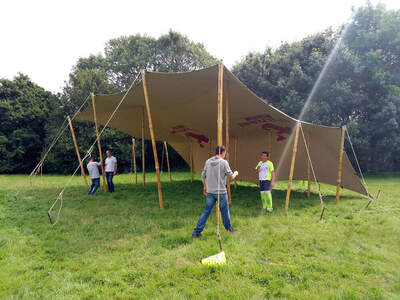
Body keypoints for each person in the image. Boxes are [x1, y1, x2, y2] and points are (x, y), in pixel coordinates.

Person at [192, 145, 240, 238]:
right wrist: (236, 173)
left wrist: (205, 187)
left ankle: (196, 232)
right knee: (225, 211)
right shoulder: (224, 162)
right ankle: (229, 229)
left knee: (206, 211)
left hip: (210, 192)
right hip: (221, 192)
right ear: (223, 152)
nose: (225, 155)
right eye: (225, 153)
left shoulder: (208, 161)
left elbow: (203, 176)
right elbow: (231, 177)